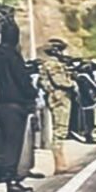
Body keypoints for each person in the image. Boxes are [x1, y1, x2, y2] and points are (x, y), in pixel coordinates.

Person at [0, 20, 38, 192]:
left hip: (2, 102)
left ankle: (11, 178)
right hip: (15, 104)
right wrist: (32, 93)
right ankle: (12, 181)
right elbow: (21, 79)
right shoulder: (12, 56)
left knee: (8, 143)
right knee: (14, 145)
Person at [39, 39, 75, 173]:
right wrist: (73, 83)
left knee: (61, 130)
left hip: (58, 97)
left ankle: (61, 161)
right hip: (60, 98)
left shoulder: (51, 64)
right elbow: (61, 82)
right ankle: (59, 163)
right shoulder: (53, 65)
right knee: (60, 130)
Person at [75, 62, 96, 144]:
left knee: (89, 119)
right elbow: (86, 90)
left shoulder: (82, 77)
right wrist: (92, 99)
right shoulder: (83, 78)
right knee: (88, 119)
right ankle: (88, 136)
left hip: (86, 100)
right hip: (87, 101)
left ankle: (89, 135)